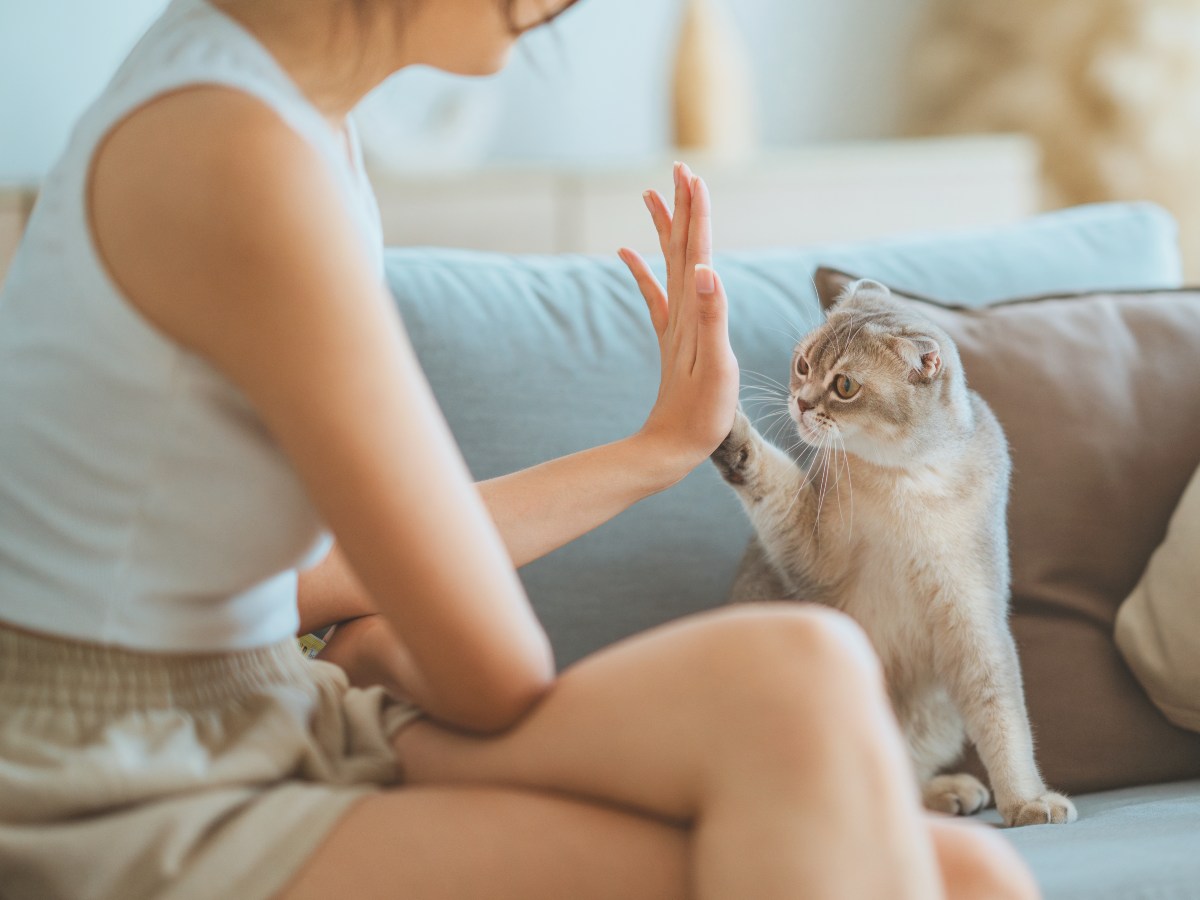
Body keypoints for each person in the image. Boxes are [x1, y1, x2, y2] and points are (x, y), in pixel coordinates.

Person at [0, 1, 1041, 898]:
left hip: (261, 704)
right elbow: (490, 669)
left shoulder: (283, 109)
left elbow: (287, 572)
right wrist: (403, 658)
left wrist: (664, 445)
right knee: (820, 706)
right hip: (124, 781)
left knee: (972, 868)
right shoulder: (240, 154)